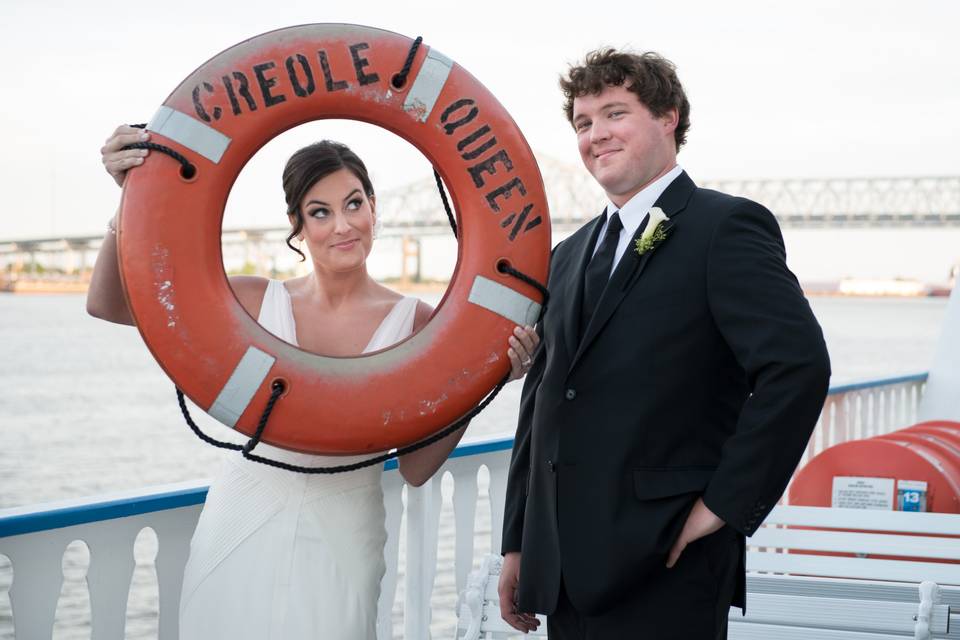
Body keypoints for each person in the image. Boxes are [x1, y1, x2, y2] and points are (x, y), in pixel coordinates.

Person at [88, 126, 540, 639]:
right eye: (319, 212)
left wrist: (483, 380)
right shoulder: (254, 302)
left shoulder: (418, 325)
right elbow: (111, 304)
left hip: (343, 531)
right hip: (242, 516)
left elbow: (415, 469)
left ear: (374, 207)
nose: (342, 225)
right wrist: (132, 198)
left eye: (353, 203)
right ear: (297, 226)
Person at [498, 49, 831, 639]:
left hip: (669, 560)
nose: (596, 134)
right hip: (566, 576)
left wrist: (724, 507)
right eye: (582, 123)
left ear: (668, 116)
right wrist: (518, 543)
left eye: (615, 113)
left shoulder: (724, 227)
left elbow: (797, 368)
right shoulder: (566, 256)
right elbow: (544, 401)